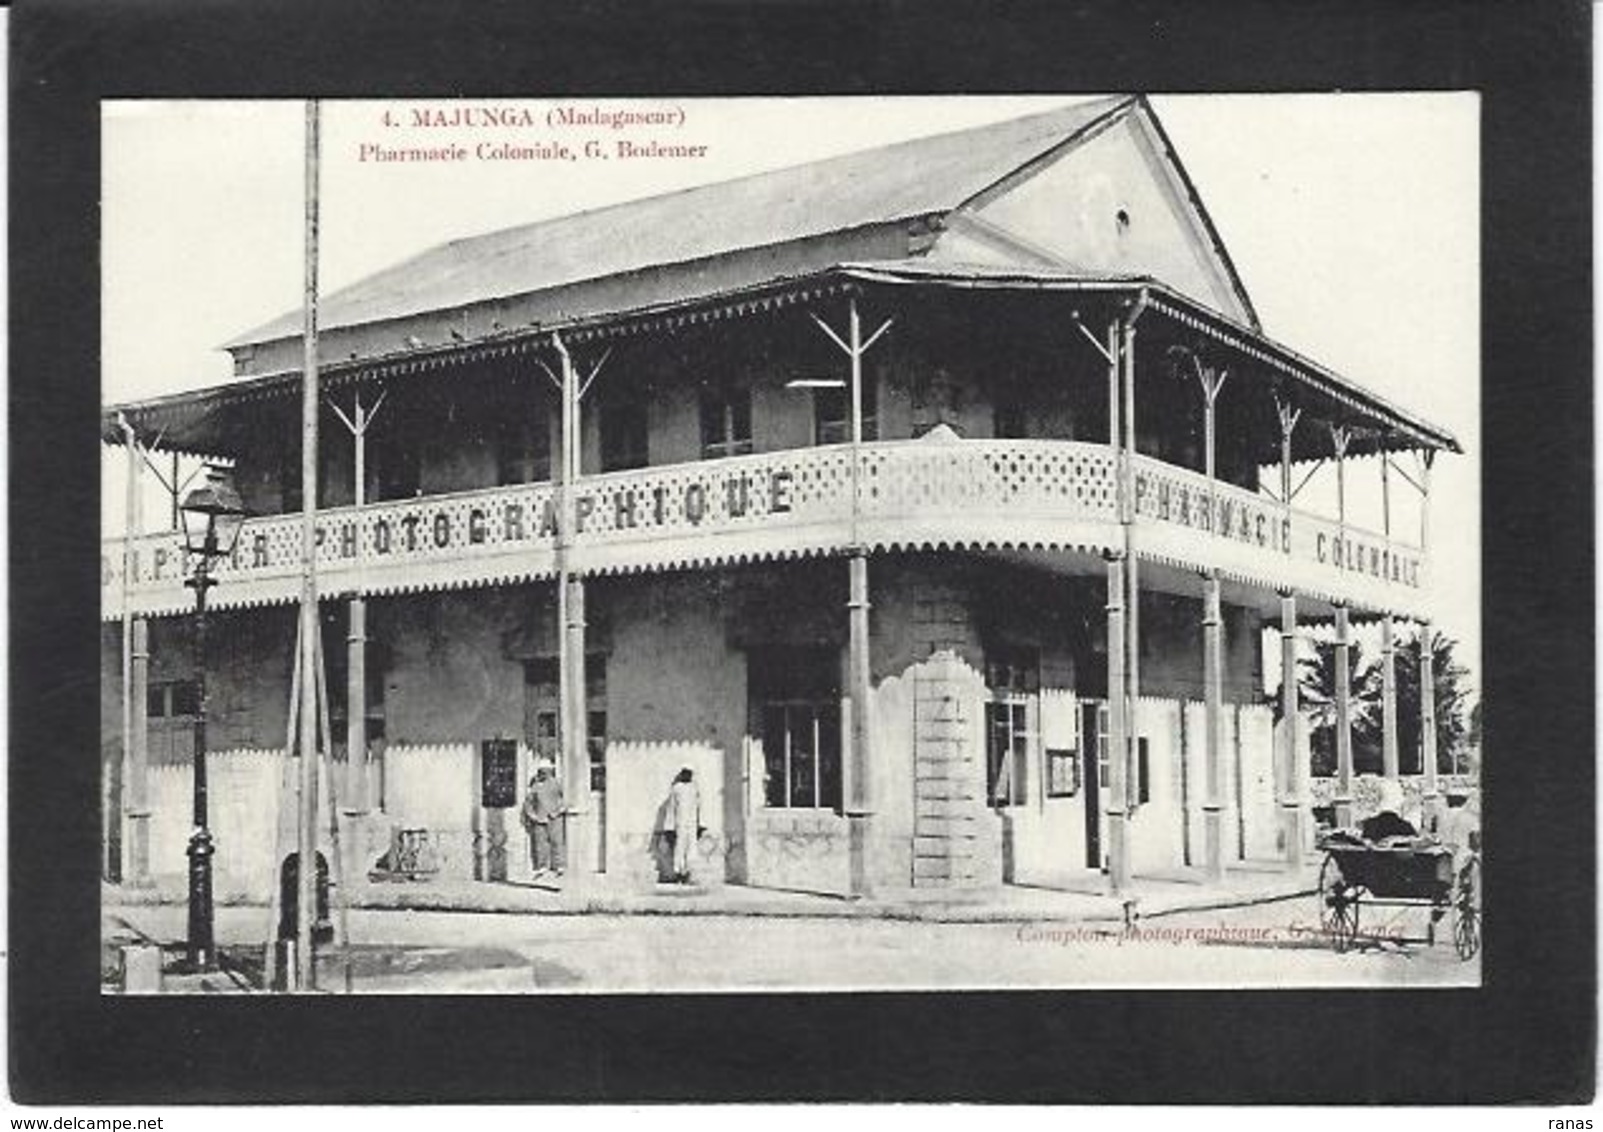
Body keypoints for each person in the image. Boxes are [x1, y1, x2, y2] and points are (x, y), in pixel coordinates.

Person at [521, 760, 567, 877]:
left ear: (551, 771)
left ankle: (559, 866)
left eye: (546, 771)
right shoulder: (535, 786)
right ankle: (542, 867)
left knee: (557, 842)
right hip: (540, 819)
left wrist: (558, 811)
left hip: (554, 818)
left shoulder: (557, 784)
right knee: (540, 843)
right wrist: (534, 816)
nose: (544, 773)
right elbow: (528, 803)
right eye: (542, 771)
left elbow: (565, 800)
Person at [662, 767, 702, 884]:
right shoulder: (676, 788)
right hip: (680, 823)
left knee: (691, 848)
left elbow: (699, 806)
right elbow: (671, 808)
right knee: (680, 848)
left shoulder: (695, 788)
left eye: (689, 774)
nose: (688, 776)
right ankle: (678, 873)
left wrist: (700, 823)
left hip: (692, 823)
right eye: (686, 774)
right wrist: (669, 826)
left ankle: (689, 873)